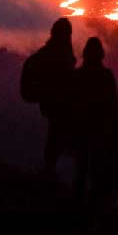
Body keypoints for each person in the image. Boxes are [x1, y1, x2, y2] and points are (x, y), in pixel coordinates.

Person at [71, 37, 118, 223]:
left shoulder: (77, 75)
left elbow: (71, 101)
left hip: (81, 127)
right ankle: (93, 212)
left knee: (81, 168)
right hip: (100, 129)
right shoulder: (106, 75)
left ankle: (77, 209)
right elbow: (113, 104)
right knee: (97, 170)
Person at [24, 17, 77, 176]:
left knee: (54, 133)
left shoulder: (46, 52)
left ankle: (48, 168)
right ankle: (49, 169)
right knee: (56, 135)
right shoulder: (63, 54)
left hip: (49, 101)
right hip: (58, 102)